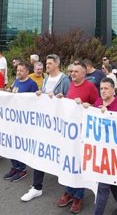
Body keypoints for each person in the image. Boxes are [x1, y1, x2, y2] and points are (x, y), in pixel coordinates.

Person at [21, 54, 71, 203]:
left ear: (57, 64)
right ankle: (36, 187)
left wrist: (59, 97)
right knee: (40, 152)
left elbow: (70, 100)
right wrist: (40, 94)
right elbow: (44, 96)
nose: (46, 66)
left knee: (62, 155)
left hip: (59, 126)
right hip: (45, 123)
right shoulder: (47, 79)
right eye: (46, 63)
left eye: (49, 63)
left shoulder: (64, 80)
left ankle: (69, 191)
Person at [55, 61, 98, 214]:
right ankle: (69, 191)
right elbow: (69, 103)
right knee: (69, 162)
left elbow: (97, 105)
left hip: (83, 132)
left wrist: (88, 105)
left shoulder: (90, 87)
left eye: (76, 72)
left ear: (84, 74)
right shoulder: (71, 85)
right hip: (70, 133)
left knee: (79, 164)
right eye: (72, 71)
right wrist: (62, 98)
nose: (72, 74)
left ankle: (78, 196)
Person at [85, 78, 117, 215]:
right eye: (101, 89)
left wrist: (109, 116)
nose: (103, 91)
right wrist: (85, 107)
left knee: (103, 186)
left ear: (113, 89)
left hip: (114, 152)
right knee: (112, 182)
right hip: (99, 150)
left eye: (106, 88)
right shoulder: (98, 102)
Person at [3, 62, 38, 182]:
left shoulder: (32, 84)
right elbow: (12, 92)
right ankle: (15, 166)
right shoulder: (16, 81)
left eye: (21, 71)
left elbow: (35, 102)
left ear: (27, 72)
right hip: (12, 118)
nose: (18, 72)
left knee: (19, 145)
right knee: (11, 144)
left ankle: (22, 169)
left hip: (23, 121)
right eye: (18, 70)